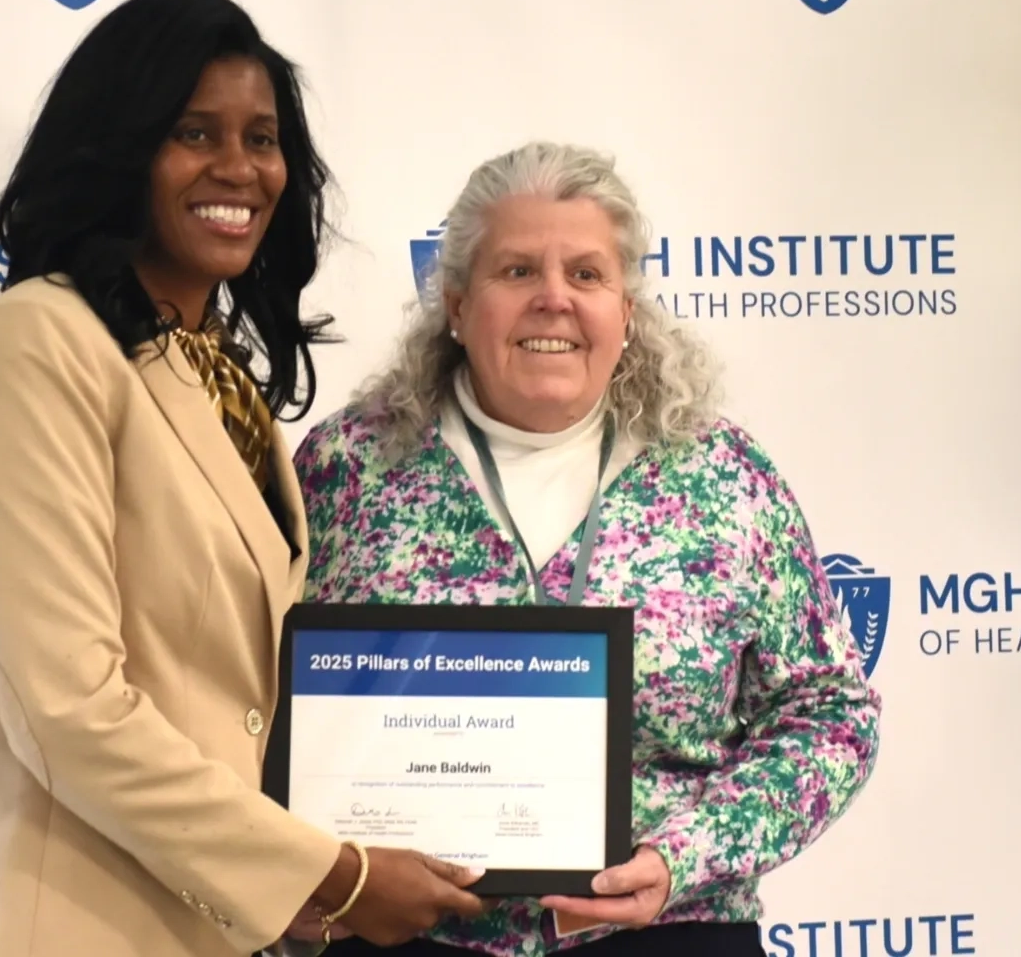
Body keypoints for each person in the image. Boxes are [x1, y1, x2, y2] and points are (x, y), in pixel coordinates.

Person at [0, 0, 485, 957]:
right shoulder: (36, 344)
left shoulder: (208, 372)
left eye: (262, 138)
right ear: (120, 149)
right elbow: (69, 710)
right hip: (46, 922)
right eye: (195, 133)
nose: (240, 168)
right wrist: (337, 873)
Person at [292, 142, 882, 956]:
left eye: (587, 275)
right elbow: (249, 689)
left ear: (627, 311)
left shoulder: (721, 476)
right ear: (457, 306)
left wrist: (685, 856)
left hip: (664, 929)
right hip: (405, 933)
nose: (553, 300)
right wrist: (298, 873)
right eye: (516, 272)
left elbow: (831, 713)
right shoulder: (349, 467)